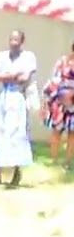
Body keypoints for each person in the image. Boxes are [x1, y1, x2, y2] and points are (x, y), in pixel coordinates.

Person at [0, 30, 37, 187]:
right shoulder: (2, 56)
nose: (13, 42)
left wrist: (7, 75)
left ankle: (16, 172)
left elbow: (24, 78)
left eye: (16, 40)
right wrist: (12, 76)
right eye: (11, 39)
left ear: (22, 42)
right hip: (3, 96)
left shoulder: (28, 57)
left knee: (16, 133)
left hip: (17, 98)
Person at [42, 41, 74, 170]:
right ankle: (54, 161)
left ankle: (67, 161)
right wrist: (60, 95)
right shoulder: (62, 61)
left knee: (72, 132)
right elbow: (54, 79)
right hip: (60, 100)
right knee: (57, 130)